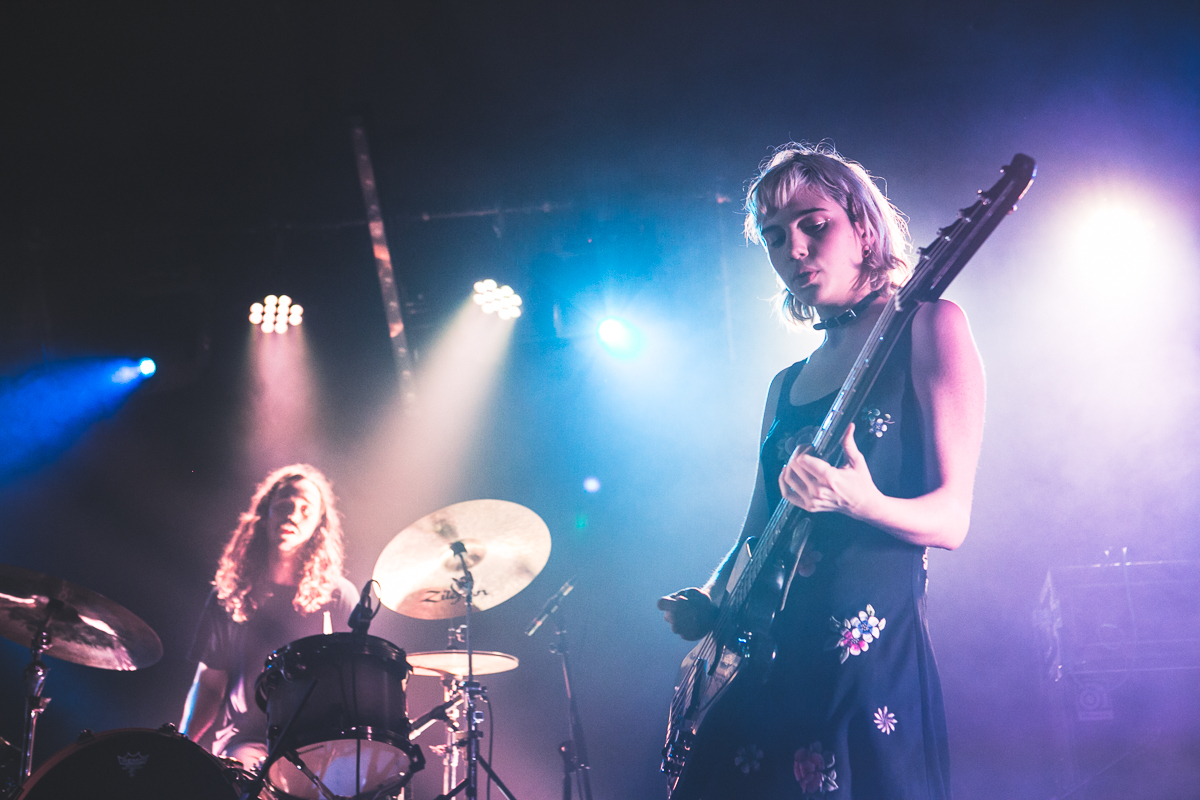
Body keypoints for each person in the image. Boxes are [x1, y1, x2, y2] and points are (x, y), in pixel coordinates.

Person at [658, 143, 985, 799]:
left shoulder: (929, 326)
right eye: (776, 238)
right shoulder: (785, 385)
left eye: (815, 224)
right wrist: (709, 594)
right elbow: (755, 529)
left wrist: (858, 500)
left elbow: (952, 521)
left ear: (863, 227)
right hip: (767, 662)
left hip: (864, 671)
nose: (795, 250)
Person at [180, 464, 358, 769]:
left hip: (319, 742)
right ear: (265, 515)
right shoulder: (230, 594)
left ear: (319, 525)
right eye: (285, 505)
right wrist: (180, 746)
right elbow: (210, 684)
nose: (293, 514)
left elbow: (358, 684)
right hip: (244, 742)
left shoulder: (339, 596)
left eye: (305, 509)